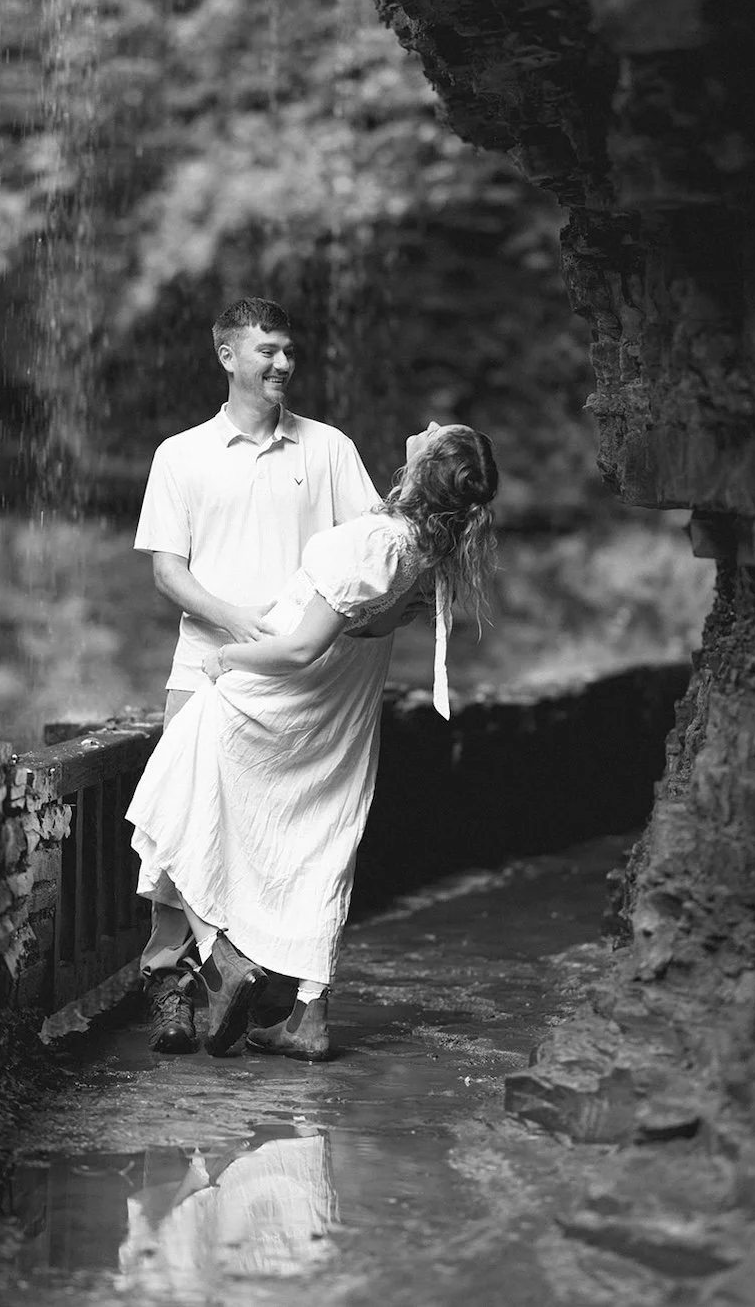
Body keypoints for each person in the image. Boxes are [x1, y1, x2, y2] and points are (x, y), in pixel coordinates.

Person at [126, 421, 498, 1062]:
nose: (427, 424)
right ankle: (308, 1017)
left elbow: (299, 648)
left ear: (430, 462)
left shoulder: (372, 540)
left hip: (272, 701)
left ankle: (222, 958)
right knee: (317, 846)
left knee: (164, 811)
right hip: (333, 714)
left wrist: (230, 661)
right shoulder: (423, 546)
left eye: (440, 431)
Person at [134, 298, 381, 1053]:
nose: (281, 364)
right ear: (226, 355)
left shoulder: (329, 450)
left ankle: (252, 979)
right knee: (177, 829)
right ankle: (177, 984)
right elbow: (167, 574)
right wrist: (241, 624)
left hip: (297, 687)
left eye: (289, 351)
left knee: (280, 833)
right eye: (267, 350)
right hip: (205, 668)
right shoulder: (181, 454)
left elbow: (374, 548)